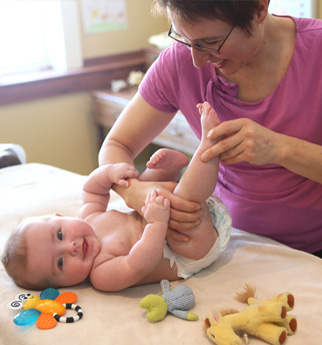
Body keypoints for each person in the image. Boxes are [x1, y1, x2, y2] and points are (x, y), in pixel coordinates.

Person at [98, 0, 322, 257]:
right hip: (228, 244)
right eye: (183, 38)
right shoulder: (178, 63)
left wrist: (279, 148)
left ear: (260, 9)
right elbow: (117, 145)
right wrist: (133, 192)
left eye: (211, 42)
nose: (196, 60)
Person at [1, 103, 231, 292]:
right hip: (188, 249)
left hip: (157, 213)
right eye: (60, 262)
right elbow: (139, 264)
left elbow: (92, 190)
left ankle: (168, 171)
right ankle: (209, 146)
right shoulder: (101, 273)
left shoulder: (89, 218)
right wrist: (157, 224)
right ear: (61, 285)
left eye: (60, 234)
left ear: (60, 216)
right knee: (187, 199)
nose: (70, 247)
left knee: (147, 183)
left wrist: (109, 173)